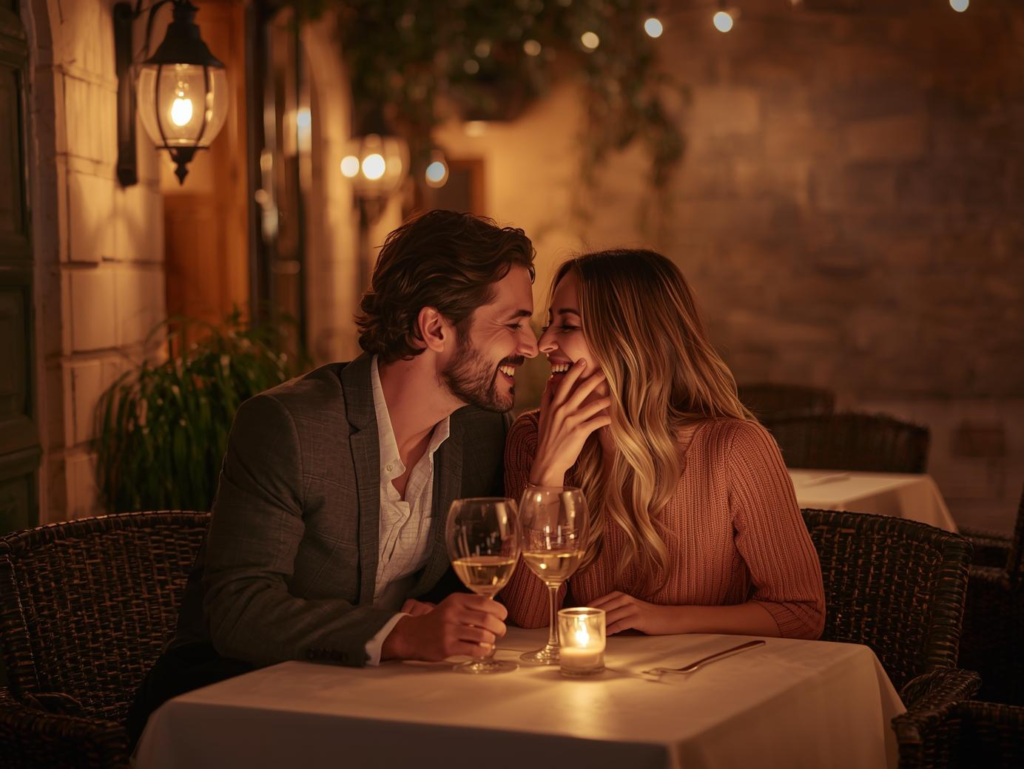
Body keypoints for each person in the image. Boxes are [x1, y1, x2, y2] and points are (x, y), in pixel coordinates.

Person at [128, 210, 539, 746]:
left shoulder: (482, 428)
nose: (531, 345)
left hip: (378, 696)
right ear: (434, 327)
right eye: (514, 323)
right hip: (232, 700)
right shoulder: (289, 425)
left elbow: (473, 578)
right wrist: (401, 633)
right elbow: (239, 609)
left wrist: (436, 612)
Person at [501, 249, 825, 640]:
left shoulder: (735, 449)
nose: (543, 344)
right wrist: (548, 475)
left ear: (630, 341)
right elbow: (529, 618)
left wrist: (666, 619)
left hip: (711, 688)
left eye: (567, 326)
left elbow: (801, 614)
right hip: (584, 690)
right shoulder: (531, 438)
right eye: (547, 324)